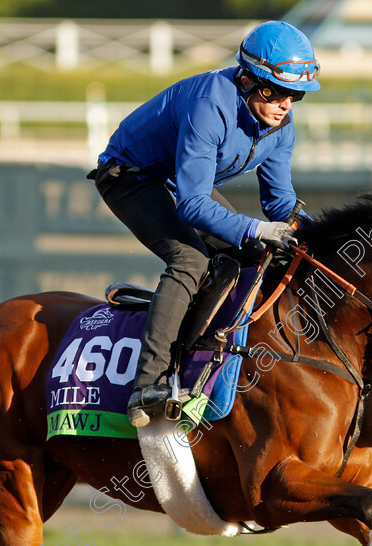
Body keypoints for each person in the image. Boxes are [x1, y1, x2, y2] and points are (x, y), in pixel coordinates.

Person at [91, 20, 320, 428]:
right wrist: (255, 227)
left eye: (295, 95)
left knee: (256, 252)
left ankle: (205, 357)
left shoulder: (280, 129)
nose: (285, 104)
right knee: (189, 260)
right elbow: (193, 205)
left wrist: (315, 233)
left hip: (178, 180)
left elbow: (280, 203)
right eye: (274, 91)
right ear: (247, 80)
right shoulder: (209, 106)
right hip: (130, 175)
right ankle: (149, 382)